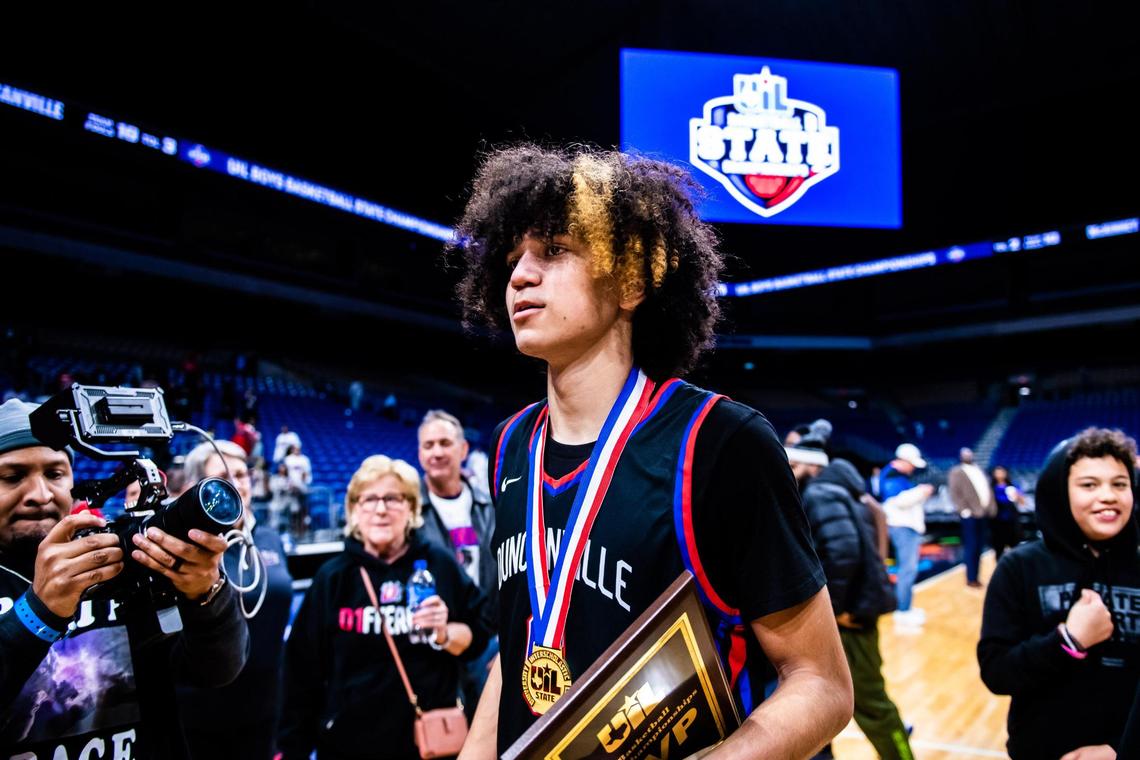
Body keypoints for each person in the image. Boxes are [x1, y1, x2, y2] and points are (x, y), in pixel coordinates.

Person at [451, 145, 852, 759]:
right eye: (513, 258)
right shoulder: (509, 447)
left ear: (632, 279)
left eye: (554, 251)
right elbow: (516, 654)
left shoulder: (722, 442)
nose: (519, 276)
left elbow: (821, 683)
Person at [0, 398, 248, 759]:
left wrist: (207, 595)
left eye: (55, 474)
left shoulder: (117, 556)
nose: (39, 495)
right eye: (12, 477)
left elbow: (217, 671)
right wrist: (38, 614)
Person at [278, 455, 489, 760]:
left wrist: (445, 633)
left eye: (392, 498)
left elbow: (478, 635)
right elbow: (301, 674)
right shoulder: (333, 577)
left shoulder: (439, 563)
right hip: (348, 746)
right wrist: (292, 746)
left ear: (412, 508)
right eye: (369, 500)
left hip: (429, 745)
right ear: (353, 510)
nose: (380, 509)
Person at [979, 427, 1140, 759]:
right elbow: (997, 672)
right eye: (1089, 485)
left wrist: (1117, 747)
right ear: (1059, 493)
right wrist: (1069, 642)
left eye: (1119, 484)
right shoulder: (1018, 568)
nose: (1108, 495)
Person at [176, 440, 293, 760]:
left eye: (242, 475)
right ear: (195, 488)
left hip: (265, 708)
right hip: (199, 714)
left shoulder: (268, 537)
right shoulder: (185, 549)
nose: (238, 485)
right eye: (224, 478)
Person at [802, 458, 912, 760]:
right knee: (823, 707)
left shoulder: (820, 494)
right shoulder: (844, 491)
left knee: (871, 704)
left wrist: (834, 609)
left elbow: (842, 552)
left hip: (850, 615)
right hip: (858, 608)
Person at [416, 409, 498, 713]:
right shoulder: (408, 515)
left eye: (444, 443)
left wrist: (505, 643)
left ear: (463, 449)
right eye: (428, 445)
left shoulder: (490, 504)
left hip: (489, 642)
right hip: (433, 648)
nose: (436, 452)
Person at [880, 443, 934, 628]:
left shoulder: (899, 477)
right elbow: (899, 501)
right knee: (907, 570)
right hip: (902, 527)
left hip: (906, 527)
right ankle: (902, 611)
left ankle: (905, 608)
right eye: (911, 464)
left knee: (908, 569)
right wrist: (921, 492)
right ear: (903, 461)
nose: (913, 468)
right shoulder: (892, 476)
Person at [947, 447, 995, 588]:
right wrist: (964, 510)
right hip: (970, 515)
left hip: (983, 513)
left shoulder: (979, 469)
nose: (968, 455)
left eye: (969, 453)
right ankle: (971, 578)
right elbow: (954, 493)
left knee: (980, 547)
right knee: (971, 546)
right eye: (965, 453)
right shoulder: (956, 471)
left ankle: (976, 576)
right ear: (961, 456)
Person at [989, 464, 1025, 563]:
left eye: (1002, 471)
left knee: (1015, 547)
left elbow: (1022, 502)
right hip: (997, 522)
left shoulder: (1013, 485)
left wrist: (1017, 496)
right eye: (997, 472)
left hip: (1012, 520)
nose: (1000, 474)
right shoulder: (991, 488)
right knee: (999, 548)